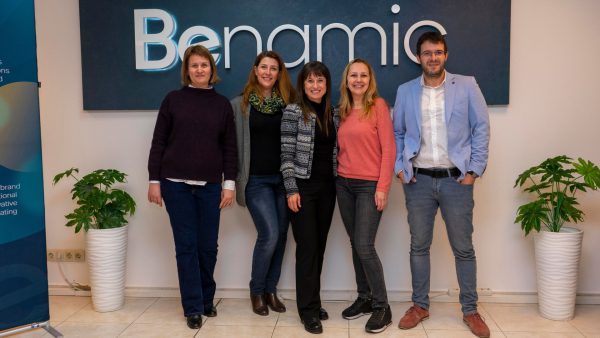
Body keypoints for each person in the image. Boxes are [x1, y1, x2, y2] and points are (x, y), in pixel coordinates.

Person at [392, 31, 490, 338]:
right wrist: (400, 167)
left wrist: (474, 170)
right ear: (418, 57)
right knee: (418, 246)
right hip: (418, 180)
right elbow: (397, 133)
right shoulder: (406, 90)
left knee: (463, 248)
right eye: (426, 53)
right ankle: (420, 305)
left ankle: (470, 310)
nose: (432, 58)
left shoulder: (467, 85)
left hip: (456, 181)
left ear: (445, 55)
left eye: (437, 52)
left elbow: (481, 129)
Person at [147, 45, 237, 330]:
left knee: (208, 247)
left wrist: (229, 184)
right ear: (187, 69)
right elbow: (158, 142)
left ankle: (206, 299)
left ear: (212, 69)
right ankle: (193, 307)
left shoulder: (222, 105)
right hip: (175, 186)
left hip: (211, 186)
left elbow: (230, 148)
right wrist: (154, 181)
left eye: (205, 65)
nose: (200, 69)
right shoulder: (173, 100)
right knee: (186, 246)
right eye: (194, 65)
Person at [231, 51, 295, 316]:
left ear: (279, 73)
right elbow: (230, 146)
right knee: (268, 235)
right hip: (255, 181)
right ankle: (256, 290)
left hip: (282, 180)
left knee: (281, 237)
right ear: (255, 70)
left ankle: (271, 290)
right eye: (264, 67)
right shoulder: (239, 105)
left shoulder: (287, 104)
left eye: (273, 68)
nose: (268, 72)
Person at [336, 59, 396, 333]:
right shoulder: (342, 111)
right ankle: (365, 297)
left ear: (370, 80)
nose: (358, 80)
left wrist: (383, 187)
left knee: (364, 245)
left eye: (363, 75)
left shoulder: (379, 107)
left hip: (369, 185)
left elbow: (389, 150)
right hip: (344, 185)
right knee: (355, 243)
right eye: (353, 75)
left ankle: (383, 306)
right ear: (346, 80)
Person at [280, 61, 338, 334]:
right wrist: (291, 189)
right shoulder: (293, 111)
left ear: (327, 84)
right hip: (303, 189)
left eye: (320, 81)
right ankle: (307, 311)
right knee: (307, 249)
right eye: (310, 81)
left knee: (320, 247)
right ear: (302, 85)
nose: (315, 86)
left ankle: (313, 301)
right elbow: (286, 155)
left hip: (328, 190)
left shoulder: (333, 113)